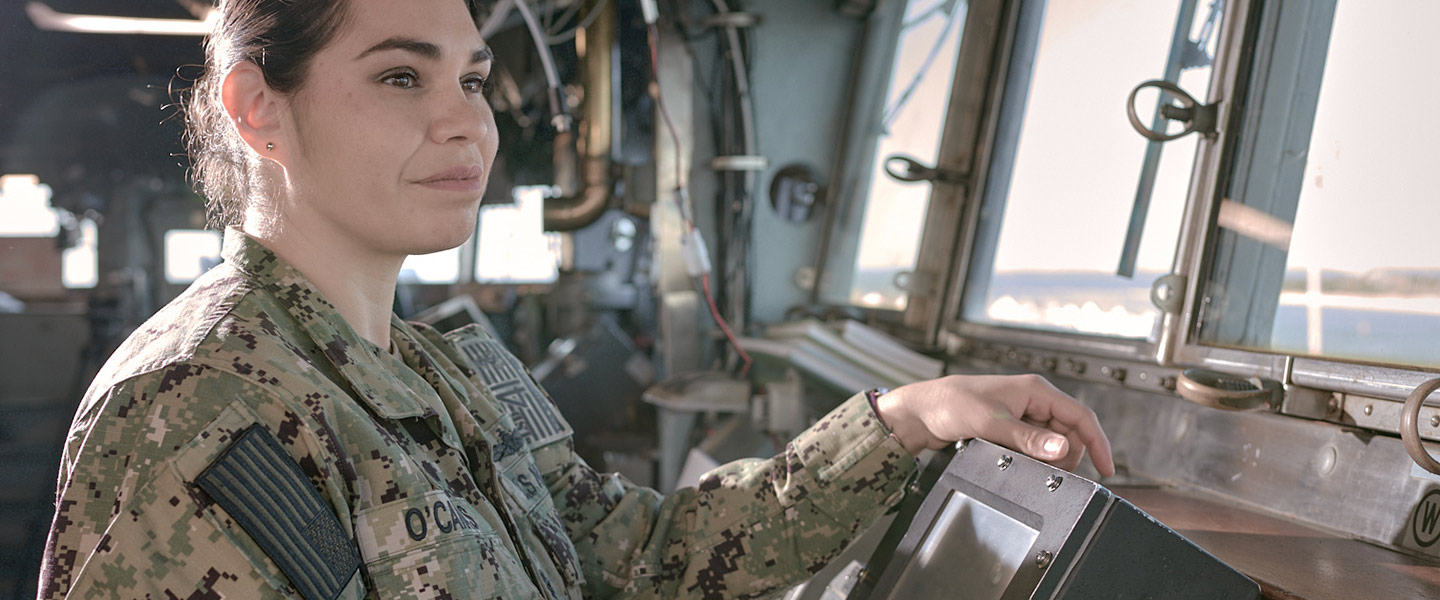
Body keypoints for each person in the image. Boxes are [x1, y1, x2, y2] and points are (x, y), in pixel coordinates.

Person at [37, 0, 1114, 598]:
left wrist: (909, 418)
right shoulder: (198, 403)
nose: (467, 122)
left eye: (470, 79)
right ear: (257, 108)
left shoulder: (444, 370)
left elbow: (642, 556)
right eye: (401, 77)